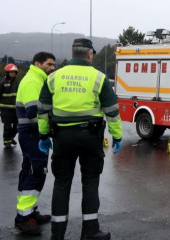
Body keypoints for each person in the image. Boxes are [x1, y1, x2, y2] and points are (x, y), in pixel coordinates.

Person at [38, 38, 122, 240]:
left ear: (73, 53)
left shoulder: (54, 77)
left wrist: (43, 136)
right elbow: (111, 111)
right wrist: (117, 136)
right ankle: (90, 231)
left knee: (61, 183)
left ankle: (57, 234)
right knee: (91, 182)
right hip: (90, 137)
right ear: (90, 55)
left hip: (61, 137)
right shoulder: (99, 78)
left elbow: (42, 110)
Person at [14, 52, 56, 235]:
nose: (52, 68)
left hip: (32, 134)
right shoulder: (33, 81)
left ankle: (30, 211)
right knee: (35, 171)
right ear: (37, 63)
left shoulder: (36, 79)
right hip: (32, 134)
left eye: (53, 65)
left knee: (31, 170)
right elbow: (33, 111)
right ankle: (23, 218)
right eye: (49, 64)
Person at [0, 64, 20, 148]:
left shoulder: (17, 83)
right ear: (7, 73)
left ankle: (11, 137)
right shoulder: (2, 83)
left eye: (14, 72)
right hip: (5, 109)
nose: (13, 74)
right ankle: (7, 142)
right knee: (7, 126)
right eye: (11, 72)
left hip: (16, 108)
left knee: (17, 126)